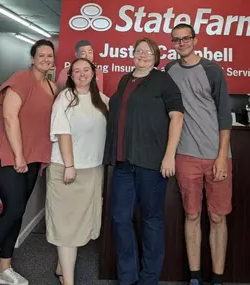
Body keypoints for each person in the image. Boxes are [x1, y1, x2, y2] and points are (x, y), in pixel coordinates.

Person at [0, 39, 57, 285]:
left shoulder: (52, 86)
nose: (45, 60)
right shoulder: (20, 78)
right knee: (13, 211)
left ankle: (4, 269)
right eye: (41, 55)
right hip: (9, 156)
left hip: (32, 158)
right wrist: (19, 155)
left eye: (50, 56)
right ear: (32, 58)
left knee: (16, 213)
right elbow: (9, 117)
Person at [103, 37, 184, 285]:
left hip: (152, 163)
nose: (143, 55)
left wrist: (170, 155)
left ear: (156, 56)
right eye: (139, 51)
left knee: (151, 220)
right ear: (133, 54)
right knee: (119, 217)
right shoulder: (125, 79)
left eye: (148, 52)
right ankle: (128, 278)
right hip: (124, 163)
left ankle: (149, 278)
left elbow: (177, 117)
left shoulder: (163, 80)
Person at [165, 23, 232, 285]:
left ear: (195, 40)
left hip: (217, 156)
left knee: (217, 217)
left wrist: (222, 156)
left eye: (186, 39)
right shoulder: (169, 70)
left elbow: (224, 115)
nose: (181, 43)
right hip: (186, 156)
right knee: (192, 215)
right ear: (172, 43)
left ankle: (216, 278)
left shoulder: (212, 69)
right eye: (176, 40)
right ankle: (194, 277)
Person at [46, 57, 109, 285]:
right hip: (68, 170)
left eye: (86, 70)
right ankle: (69, 281)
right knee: (66, 228)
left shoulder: (101, 100)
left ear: (94, 73)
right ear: (70, 76)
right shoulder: (65, 98)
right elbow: (63, 133)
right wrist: (69, 165)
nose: (82, 74)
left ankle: (62, 268)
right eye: (76, 71)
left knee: (80, 226)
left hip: (92, 171)